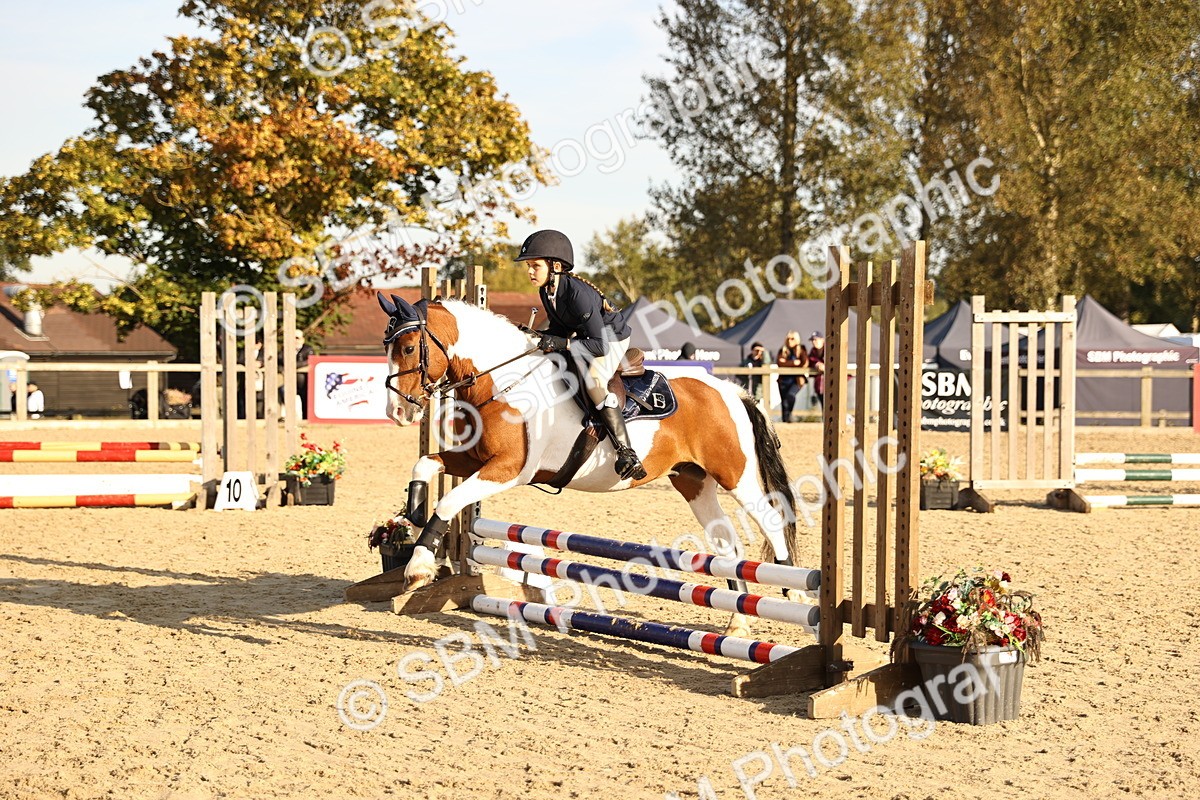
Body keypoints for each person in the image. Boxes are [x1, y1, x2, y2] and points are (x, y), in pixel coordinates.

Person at [515, 229, 647, 481]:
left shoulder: (577, 294)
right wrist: (538, 337)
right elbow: (559, 327)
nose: (530, 271)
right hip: (585, 335)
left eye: (535, 266)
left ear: (555, 265)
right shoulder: (547, 289)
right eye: (529, 266)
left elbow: (600, 346)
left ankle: (627, 452)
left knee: (595, 382)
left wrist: (561, 343)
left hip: (611, 338)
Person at [775, 331, 807, 422]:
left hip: (796, 380)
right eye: (788, 338)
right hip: (783, 380)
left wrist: (787, 363)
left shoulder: (801, 349)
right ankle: (786, 421)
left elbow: (804, 363)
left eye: (792, 338)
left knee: (791, 395)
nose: (790, 341)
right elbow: (780, 363)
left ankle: (790, 416)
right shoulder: (783, 350)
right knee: (784, 402)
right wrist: (794, 363)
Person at [294, 330, 315, 420]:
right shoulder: (285, 349)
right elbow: (280, 362)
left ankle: (306, 419)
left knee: (305, 400)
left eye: (297, 338)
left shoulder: (308, 349)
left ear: (302, 339)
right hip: (290, 382)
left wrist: (293, 365)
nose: (295, 340)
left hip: (305, 382)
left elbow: (310, 361)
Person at [808, 331, 826, 409]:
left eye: (816, 339)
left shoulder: (830, 350)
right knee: (824, 407)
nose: (814, 342)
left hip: (832, 384)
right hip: (819, 386)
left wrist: (826, 367)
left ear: (822, 340)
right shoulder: (813, 352)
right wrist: (817, 364)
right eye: (812, 340)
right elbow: (810, 362)